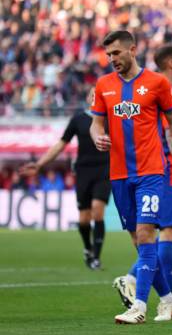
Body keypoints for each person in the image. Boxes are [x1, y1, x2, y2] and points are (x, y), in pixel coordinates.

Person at [90, 30, 172, 324]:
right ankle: (166, 298)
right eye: (108, 55)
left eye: (116, 54)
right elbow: (96, 124)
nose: (112, 60)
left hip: (151, 171)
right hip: (119, 174)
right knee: (139, 241)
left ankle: (139, 307)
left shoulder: (157, 83)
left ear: (132, 50)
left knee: (147, 233)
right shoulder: (104, 85)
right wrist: (98, 136)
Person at [112, 44, 172, 312]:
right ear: (171, 64)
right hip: (159, 169)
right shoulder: (162, 89)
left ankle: (171, 294)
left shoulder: (163, 88)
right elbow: (168, 134)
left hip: (158, 168)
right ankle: (131, 279)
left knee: (169, 230)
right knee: (163, 231)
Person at [19, 88, 111, 270]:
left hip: (104, 170)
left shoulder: (111, 119)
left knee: (97, 210)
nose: (95, 97)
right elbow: (61, 144)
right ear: (87, 97)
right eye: (92, 94)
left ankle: (96, 257)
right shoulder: (78, 119)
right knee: (84, 219)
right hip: (83, 171)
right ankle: (87, 248)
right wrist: (39, 164)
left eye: (99, 95)